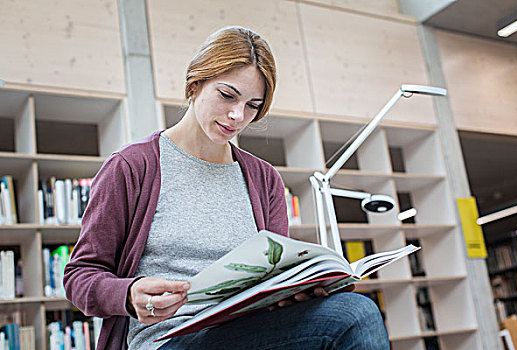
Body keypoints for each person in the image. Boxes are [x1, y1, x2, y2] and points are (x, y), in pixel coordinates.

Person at [63, 26, 390, 350]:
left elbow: (275, 280)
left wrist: (300, 293)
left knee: (352, 311)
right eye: (227, 95)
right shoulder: (133, 167)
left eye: (252, 105)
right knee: (356, 315)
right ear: (195, 83)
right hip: (167, 340)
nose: (237, 115)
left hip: (249, 332)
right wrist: (129, 294)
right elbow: (80, 276)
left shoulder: (265, 181)